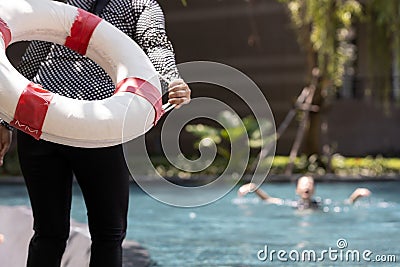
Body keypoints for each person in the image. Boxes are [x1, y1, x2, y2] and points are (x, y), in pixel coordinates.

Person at [0, 0, 191, 267]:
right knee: (87, 233)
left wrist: (171, 79)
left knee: (72, 233)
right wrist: (5, 121)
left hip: (89, 124)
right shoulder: (68, 3)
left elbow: (156, 44)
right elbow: (33, 56)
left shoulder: (138, 4)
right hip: (69, 127)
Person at [238, 175, 371, 210]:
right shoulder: (293, 204)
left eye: (310, 184)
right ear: (297, 190)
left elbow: (346, 203)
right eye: (304, 184)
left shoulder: (319, 204)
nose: (307, 186)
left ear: (314, 190)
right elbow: (268, 199)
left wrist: (357, 194)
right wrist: (254, 187)